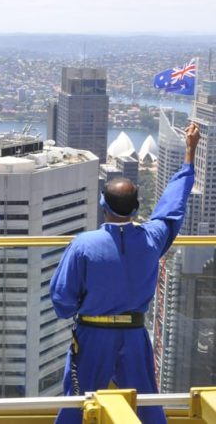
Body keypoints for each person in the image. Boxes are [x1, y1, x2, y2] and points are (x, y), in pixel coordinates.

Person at [50, 122, 200, 424]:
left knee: (78, 406)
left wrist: (85, 307)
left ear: (103, 205)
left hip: (92, 336)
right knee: (146, 405)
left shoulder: (83, 245)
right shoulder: (151, 239)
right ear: (135, 209)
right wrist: (189, 153)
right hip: (134, 336)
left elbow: (61, 300)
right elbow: (172, 209)